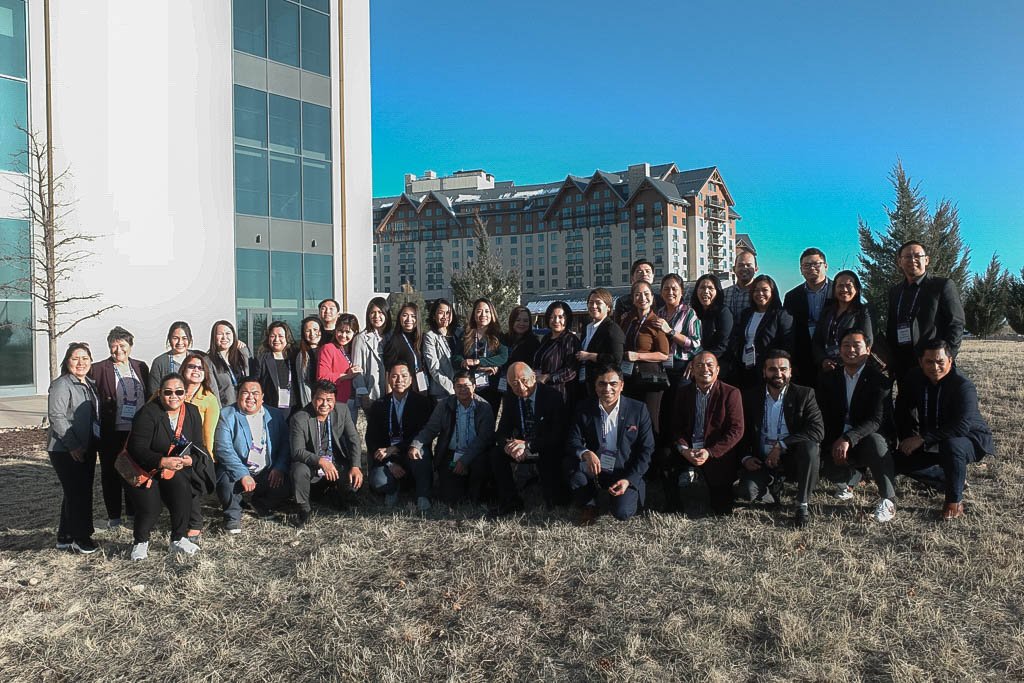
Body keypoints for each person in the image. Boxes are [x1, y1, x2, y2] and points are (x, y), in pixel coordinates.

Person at [894, 340, 993, 520]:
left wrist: (922, 438)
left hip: (968, 438)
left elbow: (961, 426)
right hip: (932, 438)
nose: (935, 367)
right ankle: (948, 479)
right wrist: (908, 438)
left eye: (940, 361)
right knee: (898, 459)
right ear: (920, 362)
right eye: (929, 361)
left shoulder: (963, 385)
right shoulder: (914, 378)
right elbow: (902, 410)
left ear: (950, 360)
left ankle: (954, 501)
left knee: (952, 445)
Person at [126, 372, 213, 560]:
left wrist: (191, 459)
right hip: (146, 468)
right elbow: (136, 448)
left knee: (183, 494)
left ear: (185, 394)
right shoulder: (148, 413)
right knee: (151, 508)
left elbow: (198, 443)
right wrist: (161, 461)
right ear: (159, 393)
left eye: (179, 392)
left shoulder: (191, 411)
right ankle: (141, 542)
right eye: (168, 392)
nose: (174, 396)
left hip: (175, 468)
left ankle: (178, 538)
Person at [816, 329, 898, 522]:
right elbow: (822, 414)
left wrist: (848, 438)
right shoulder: (828, 378)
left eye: (856, 345)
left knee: (876, 442)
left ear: (868, 350)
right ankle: (850, 477)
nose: (851, 350)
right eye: (846, 345)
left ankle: (889, 499)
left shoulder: (881, 382)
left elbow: (876, 421)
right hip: (835, 439)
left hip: (864, 438)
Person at [735, 350, 824, 527]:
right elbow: (740, 431)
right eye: (772, 369)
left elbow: (817, 430)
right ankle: (772, 488)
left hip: (792, 457)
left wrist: (781, 445)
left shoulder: (805, 394)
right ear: (764, 372)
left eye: (783, 369)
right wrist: (745, 457)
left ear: (791, 371)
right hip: (761, 459)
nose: (778, 374)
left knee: (811, 448)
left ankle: (802, 504)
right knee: (746, 492)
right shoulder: (750, 396)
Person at [567, 365, 654, 524]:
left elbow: (646, 450)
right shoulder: (584, 408)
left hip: (624, 470)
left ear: (621, 385)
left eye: (613, 384)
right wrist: (586, 453)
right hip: (596, 466)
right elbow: (573, 439)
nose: (607, 388)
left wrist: (629, 479)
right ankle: (589, 503)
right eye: (602, 383)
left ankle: (626, 491)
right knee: (572, 466)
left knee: (622, 512)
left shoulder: (638, 409)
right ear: (595, 386)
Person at [664, 351, 744, 515]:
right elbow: (676, 426)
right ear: (692, 369)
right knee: (664, 457)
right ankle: (673, 504)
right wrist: (684, 450)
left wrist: (710, 452)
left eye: (709, 365)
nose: (704, 369)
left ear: (718, 369)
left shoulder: (731, 393)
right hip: (689, 448)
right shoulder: (683, 392)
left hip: (715, 451)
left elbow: (736, 430)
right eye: (699, 365)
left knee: (721, 508)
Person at [214, 377, 291, 534]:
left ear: (262, 397)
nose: (250, 397)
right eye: (245, 393)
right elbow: (223, 449)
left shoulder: (275, 414)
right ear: (238, 396)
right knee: (225, 479)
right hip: (240, 467)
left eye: (255, 393)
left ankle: (262, 503)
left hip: (267, 469)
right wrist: (242, 474)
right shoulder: (226, 414)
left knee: (290, 481)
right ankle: (232, 515)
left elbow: (285, 444)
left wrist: (279, 467)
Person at [488, 362, 568, 516]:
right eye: (515, 384)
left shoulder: (553, 396)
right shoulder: (511, 397)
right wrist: (508, 446)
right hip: (520, 447)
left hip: (543, 446)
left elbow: (557, 435)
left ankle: (551, 493)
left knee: (556, 499)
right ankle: (510, 500)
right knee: (496, 454)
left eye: (524, 381)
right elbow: (502, 430)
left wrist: (528, 445)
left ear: (533, 377)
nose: (521, 387)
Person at [90, 326, 149, 528]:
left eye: (122, 346)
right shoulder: (98, 369)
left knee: (134, 471)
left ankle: (133, 514)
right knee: (111, 473)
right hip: (111, 431)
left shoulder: (141, 367)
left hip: (137, 431)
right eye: (113, 347)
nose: (118, 351)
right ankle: (114, 516)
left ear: (130, 346)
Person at [886, 241, 966, 385]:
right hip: (904, 363)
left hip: (933, 363)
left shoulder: (942, 286)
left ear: (927, 260)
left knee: (933, 406)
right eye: (907, 257)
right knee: (905, 405)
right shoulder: (895, 291)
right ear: (900, 261)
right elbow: (892, 325)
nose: (913, 260)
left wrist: (947, 357)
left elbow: (956, 323)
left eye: (918, 256)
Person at [410, 370, 495, 506]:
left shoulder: (484, 407)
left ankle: (476, 492)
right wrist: (416, 444)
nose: (463, 390)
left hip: (476, 455)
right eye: (459, 386)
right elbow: (431, 429)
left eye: (466, 386)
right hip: (451, 454)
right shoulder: (444, 405)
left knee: (478, 485)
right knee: (449, 498)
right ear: (453, 387)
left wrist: (465, 460)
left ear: (474, 386)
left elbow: (483, 439)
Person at [47, 342, 101, 554]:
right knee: (78, 493)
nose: (81, 363)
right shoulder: (62, 384)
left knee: (74, 492)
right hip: (65, 449)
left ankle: (65, 536)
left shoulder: (88, 383)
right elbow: (57, 416)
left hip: (85, 446)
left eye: (85, 358)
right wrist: (73, 446)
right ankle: (81, 538)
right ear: (67, 361)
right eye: (75, 358)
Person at [288, 379, 363, 526]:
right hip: (312, 464)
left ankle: (336, 494)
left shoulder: (342, 410)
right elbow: (297, 451)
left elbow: (353, 439)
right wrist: (320, 461)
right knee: (299, 470)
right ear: (312, 399)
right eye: (320, 399)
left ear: (335, 400)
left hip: (335, 462)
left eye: (329, 400)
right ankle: (304, 509)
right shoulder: (299, 418)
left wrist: (356, 466)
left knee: (352, 486)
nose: (324, 404)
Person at [365, 361, 434, 510]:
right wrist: (389, 462)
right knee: (378, 481)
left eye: (403, 376)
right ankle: (393, 489)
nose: (399, 380)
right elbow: (371, 439)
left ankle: (423, 495)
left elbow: (422, 433)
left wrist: (395, 448)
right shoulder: (379, 404)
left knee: (421, 452)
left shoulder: (422, 403)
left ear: (411, 379)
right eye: (395, 376)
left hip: (410, 450)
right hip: (388, 456)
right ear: (389, 379)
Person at [620, 280, 671, 435]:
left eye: (646, 294)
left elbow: (664, 354)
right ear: (633, 299)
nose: (642, 298)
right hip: (629, 376)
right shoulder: (628, 320)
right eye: (638, 294)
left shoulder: (656, 322)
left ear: (652, 298)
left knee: (649, 421)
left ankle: (652, 457)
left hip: (650, 378)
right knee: (630, 420)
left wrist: (638, 356)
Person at [730, 274, 794, 388]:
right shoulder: (747, 314)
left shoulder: (781, 315)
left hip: (769, 371)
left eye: (764, 290)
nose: (760, 294)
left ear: (773, 292)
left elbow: (787, 345)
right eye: (756, 290)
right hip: (745, 367)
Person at [783, 248, 833, 386]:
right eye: (806, 265)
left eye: (816, 264)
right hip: (803, 359)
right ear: (801, 269)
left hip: (833, 358)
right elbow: (789, 331)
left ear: (826, 266)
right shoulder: (792, 297)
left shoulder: (838, 291)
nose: (812, 268)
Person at [812, 270, 874, 374]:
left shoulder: (863, 312)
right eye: (840, 286)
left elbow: (868, 341)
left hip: (853, 368)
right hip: (828, 369)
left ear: (857, 289)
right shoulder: (827, 312)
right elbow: (817, 341)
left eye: (849, 285)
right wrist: (823, 360)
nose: (844, 289)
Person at [454, 298, 509, 414]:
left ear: (492, 314)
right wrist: (462, 362)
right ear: (474, 314)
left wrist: (480, 362)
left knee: (488, 423)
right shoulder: (466, 334)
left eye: (487, 311)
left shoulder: (498, 335)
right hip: (469, 387)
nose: (483, 314)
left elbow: (503, 357)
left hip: (492, 388)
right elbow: (455, 356)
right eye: (479, 311)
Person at [575, 287, 625, 392]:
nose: (593, 306)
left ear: (608, 307)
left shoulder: (612, 329)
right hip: (586, 383)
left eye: (598, 303)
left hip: (603, 386)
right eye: (590, 302)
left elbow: (616, 359)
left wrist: (591, 356)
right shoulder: (588, 328)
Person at [533, 300, 581, 405]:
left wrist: (549, 377)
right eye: (552, 317)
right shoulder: (546, 338)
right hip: (542, 391)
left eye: (560, 317)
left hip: (561, 394)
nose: (556, 321)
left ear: (567, 319)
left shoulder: (570, 340)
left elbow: (571, 370)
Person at [317, 312, 362, 420]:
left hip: (354, 400)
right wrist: (346, 376)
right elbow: (322, 377)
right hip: (337, 400)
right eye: (340, 331)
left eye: (348, 332)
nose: (343, 335)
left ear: (355, 333)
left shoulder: (355, 350)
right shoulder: (328, 348)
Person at [352, 297, 392, 413]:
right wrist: (363, 393)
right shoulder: (361, 338)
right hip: (370, 395)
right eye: (372, 312)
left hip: (392, 394)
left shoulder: (393, 336)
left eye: (380, 312)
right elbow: (356, 370)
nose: (376, 316)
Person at [384, 302, 430, 394]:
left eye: (413, 316)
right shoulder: (395, 341)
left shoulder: (424, 338)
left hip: (424, 389)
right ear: (399, 318)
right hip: (405, 391)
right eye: (405, 315)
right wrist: (389, 397)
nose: (409, 319)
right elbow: (389, 372)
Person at [254, 321, 298, 415]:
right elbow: (256, 382)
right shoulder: (262, 359)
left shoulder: (295, 357)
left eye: (281, 336)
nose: (276, 339)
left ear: (287, 338)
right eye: (273, 336)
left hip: (293, 408)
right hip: (270, 408)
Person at [181, 352, 220, 456]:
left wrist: (208, 460)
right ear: (183, 369)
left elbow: (209, 434)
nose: (196, 370)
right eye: (191, 366)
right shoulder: (167, 392)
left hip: (194, 453)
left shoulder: (209, 399)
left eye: (200, 368)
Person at [207, 320, 252, 408]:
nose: (224, 337)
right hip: (226, 409)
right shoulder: (208, 361)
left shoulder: (242, 354)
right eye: (220, 334)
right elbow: (214, 391)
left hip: (246, 407)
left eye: (228, 333)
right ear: (214, 337)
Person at [690, 273, 733, 364]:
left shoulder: (723, 312)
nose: (705, 291)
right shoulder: (691, 312)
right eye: (702, 287)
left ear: (717, 291)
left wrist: (700, 360)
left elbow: (723, 344)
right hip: (693, 359)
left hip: (717, 361)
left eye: (710, 288)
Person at [423, 298, 458, 402]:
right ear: (434, 316)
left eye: (448, 313)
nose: (445, 316)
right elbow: (434, 368)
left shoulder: (458, 334)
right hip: (442, 392)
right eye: (441, 313)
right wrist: (453, 388)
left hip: (462, 389)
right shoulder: (430, 337)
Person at [501, 305, 540, 393]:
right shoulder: (504, 339)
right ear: (512, 321)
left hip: (524, 386)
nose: (522, 323)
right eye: (518, 320)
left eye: (525, 321)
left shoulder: (534, 342)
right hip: (506, 383)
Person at [148, 321, 195, 395]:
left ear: (190, 339)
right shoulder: (160, 362)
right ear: (169, 339)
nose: (180, 342)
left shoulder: (199, 358)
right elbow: (154, 393)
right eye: (175, 338)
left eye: (184, 338)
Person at [613, 258, 664, 323]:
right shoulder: (623, 302)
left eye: (647, 271)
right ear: (632, 277)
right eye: (639, 272)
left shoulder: (661, 300)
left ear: (653, 276)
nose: (644, 274)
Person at [292, 316, 325, 410]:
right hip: (311, 402)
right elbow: (303, 383)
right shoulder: (302, 355)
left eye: (315, 330)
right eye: (308, 331)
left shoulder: (327, 350)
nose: (312, 334)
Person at [722, 249, 758, 323]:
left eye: (748, 265)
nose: (744, 268)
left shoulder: (761, 294)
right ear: (734, 269)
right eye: (741, 265)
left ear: (756, 269)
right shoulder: (724, 294)